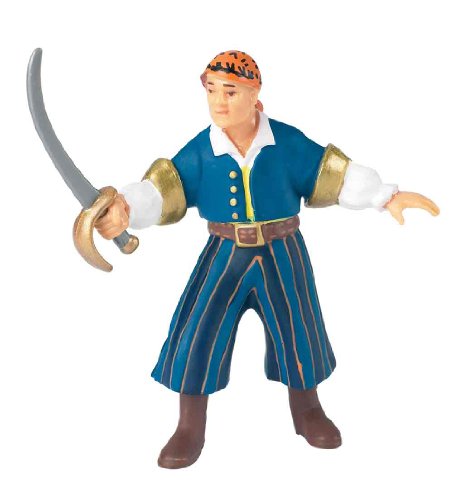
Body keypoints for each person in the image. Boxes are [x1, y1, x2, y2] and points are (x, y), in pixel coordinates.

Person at [95, 50, 439, 469]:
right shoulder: (202, 150)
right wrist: (126, 208)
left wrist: (385, 196)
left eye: (230, 92)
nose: (219, 102)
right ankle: (190, 425)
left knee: (299, 328)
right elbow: (163, 189)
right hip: (224, 252)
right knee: (198, 327)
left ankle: (307, 409)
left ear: (255, 94)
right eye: (212, 91)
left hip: (282, 249)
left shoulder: (286, 143)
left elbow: (333, 173)